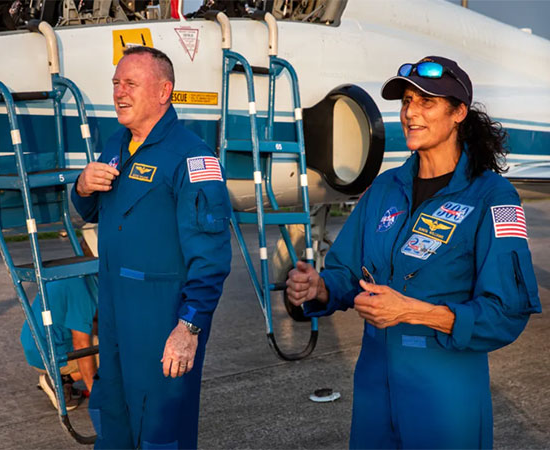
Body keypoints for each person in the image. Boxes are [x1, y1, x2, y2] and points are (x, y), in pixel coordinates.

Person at [286, 56, 541, 449]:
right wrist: (318, 288)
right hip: (374, 389)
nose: (411, 113)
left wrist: (411, 311)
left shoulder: (493, 197)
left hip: (443, 393)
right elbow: (346, 271)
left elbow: (506, 312)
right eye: (407, 101)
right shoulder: (385, 189)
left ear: (458, 113)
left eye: (427, 103)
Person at [71, 46, 232, 449]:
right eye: (115, 83)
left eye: (130, 83)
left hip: (162, 320)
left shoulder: (191, 157)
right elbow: (94, 209)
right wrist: (81, 186)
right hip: (113, 311)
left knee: (161, 431)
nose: (119, 92)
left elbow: (211, 257)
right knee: (115, 419)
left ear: (164, 91)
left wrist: (188, 327)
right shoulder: (117, 142)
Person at [20, 274, 97, 411]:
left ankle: (64, 379)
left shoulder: (76, 274)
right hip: (51, 354)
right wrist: (98, 399)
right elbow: (81, 343)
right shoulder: (83, 289)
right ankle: (64, 380)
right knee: (122, 349)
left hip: (37, 347)